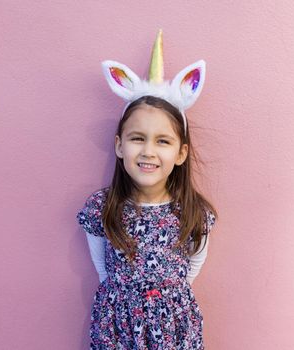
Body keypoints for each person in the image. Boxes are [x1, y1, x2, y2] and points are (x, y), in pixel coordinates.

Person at [77, 30, 217, 350]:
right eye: (137, 138)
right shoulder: (102, 207)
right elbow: (101, 266)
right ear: (120, 146)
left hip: (175, 325)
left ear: (181, 153)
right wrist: (126, 299)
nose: (148, 151)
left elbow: (194, 263)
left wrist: (164, 298)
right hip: (117, 324)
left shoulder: (193, 211)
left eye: (163, 141)